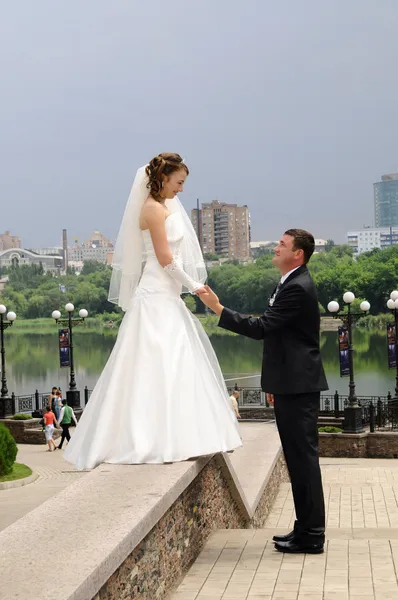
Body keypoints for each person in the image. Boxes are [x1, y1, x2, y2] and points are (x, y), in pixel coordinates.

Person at [64, 153, 241, 470]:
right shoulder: (151, 209)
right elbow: (164, 259)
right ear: (163, 178)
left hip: (168, 295)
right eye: (179, 182)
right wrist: (195, 285)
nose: (182, 189)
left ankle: (185, 436)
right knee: (153, 362)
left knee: (178, 360)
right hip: (156, 292)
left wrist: (186, 287)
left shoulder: (167, 207)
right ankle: (148, 438)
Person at [198, 229, 328, 554]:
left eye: (282, 245)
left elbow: (262, 328)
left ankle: (312, 535)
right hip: (289, 384)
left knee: (304, 460)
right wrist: (273, 384)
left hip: (299, 387)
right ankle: (304, 530)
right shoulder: (288, 283)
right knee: (297, 461)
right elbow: (280, 338)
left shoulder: (298, 287)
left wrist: (218, 308)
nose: (275, 247)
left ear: (297, 253)